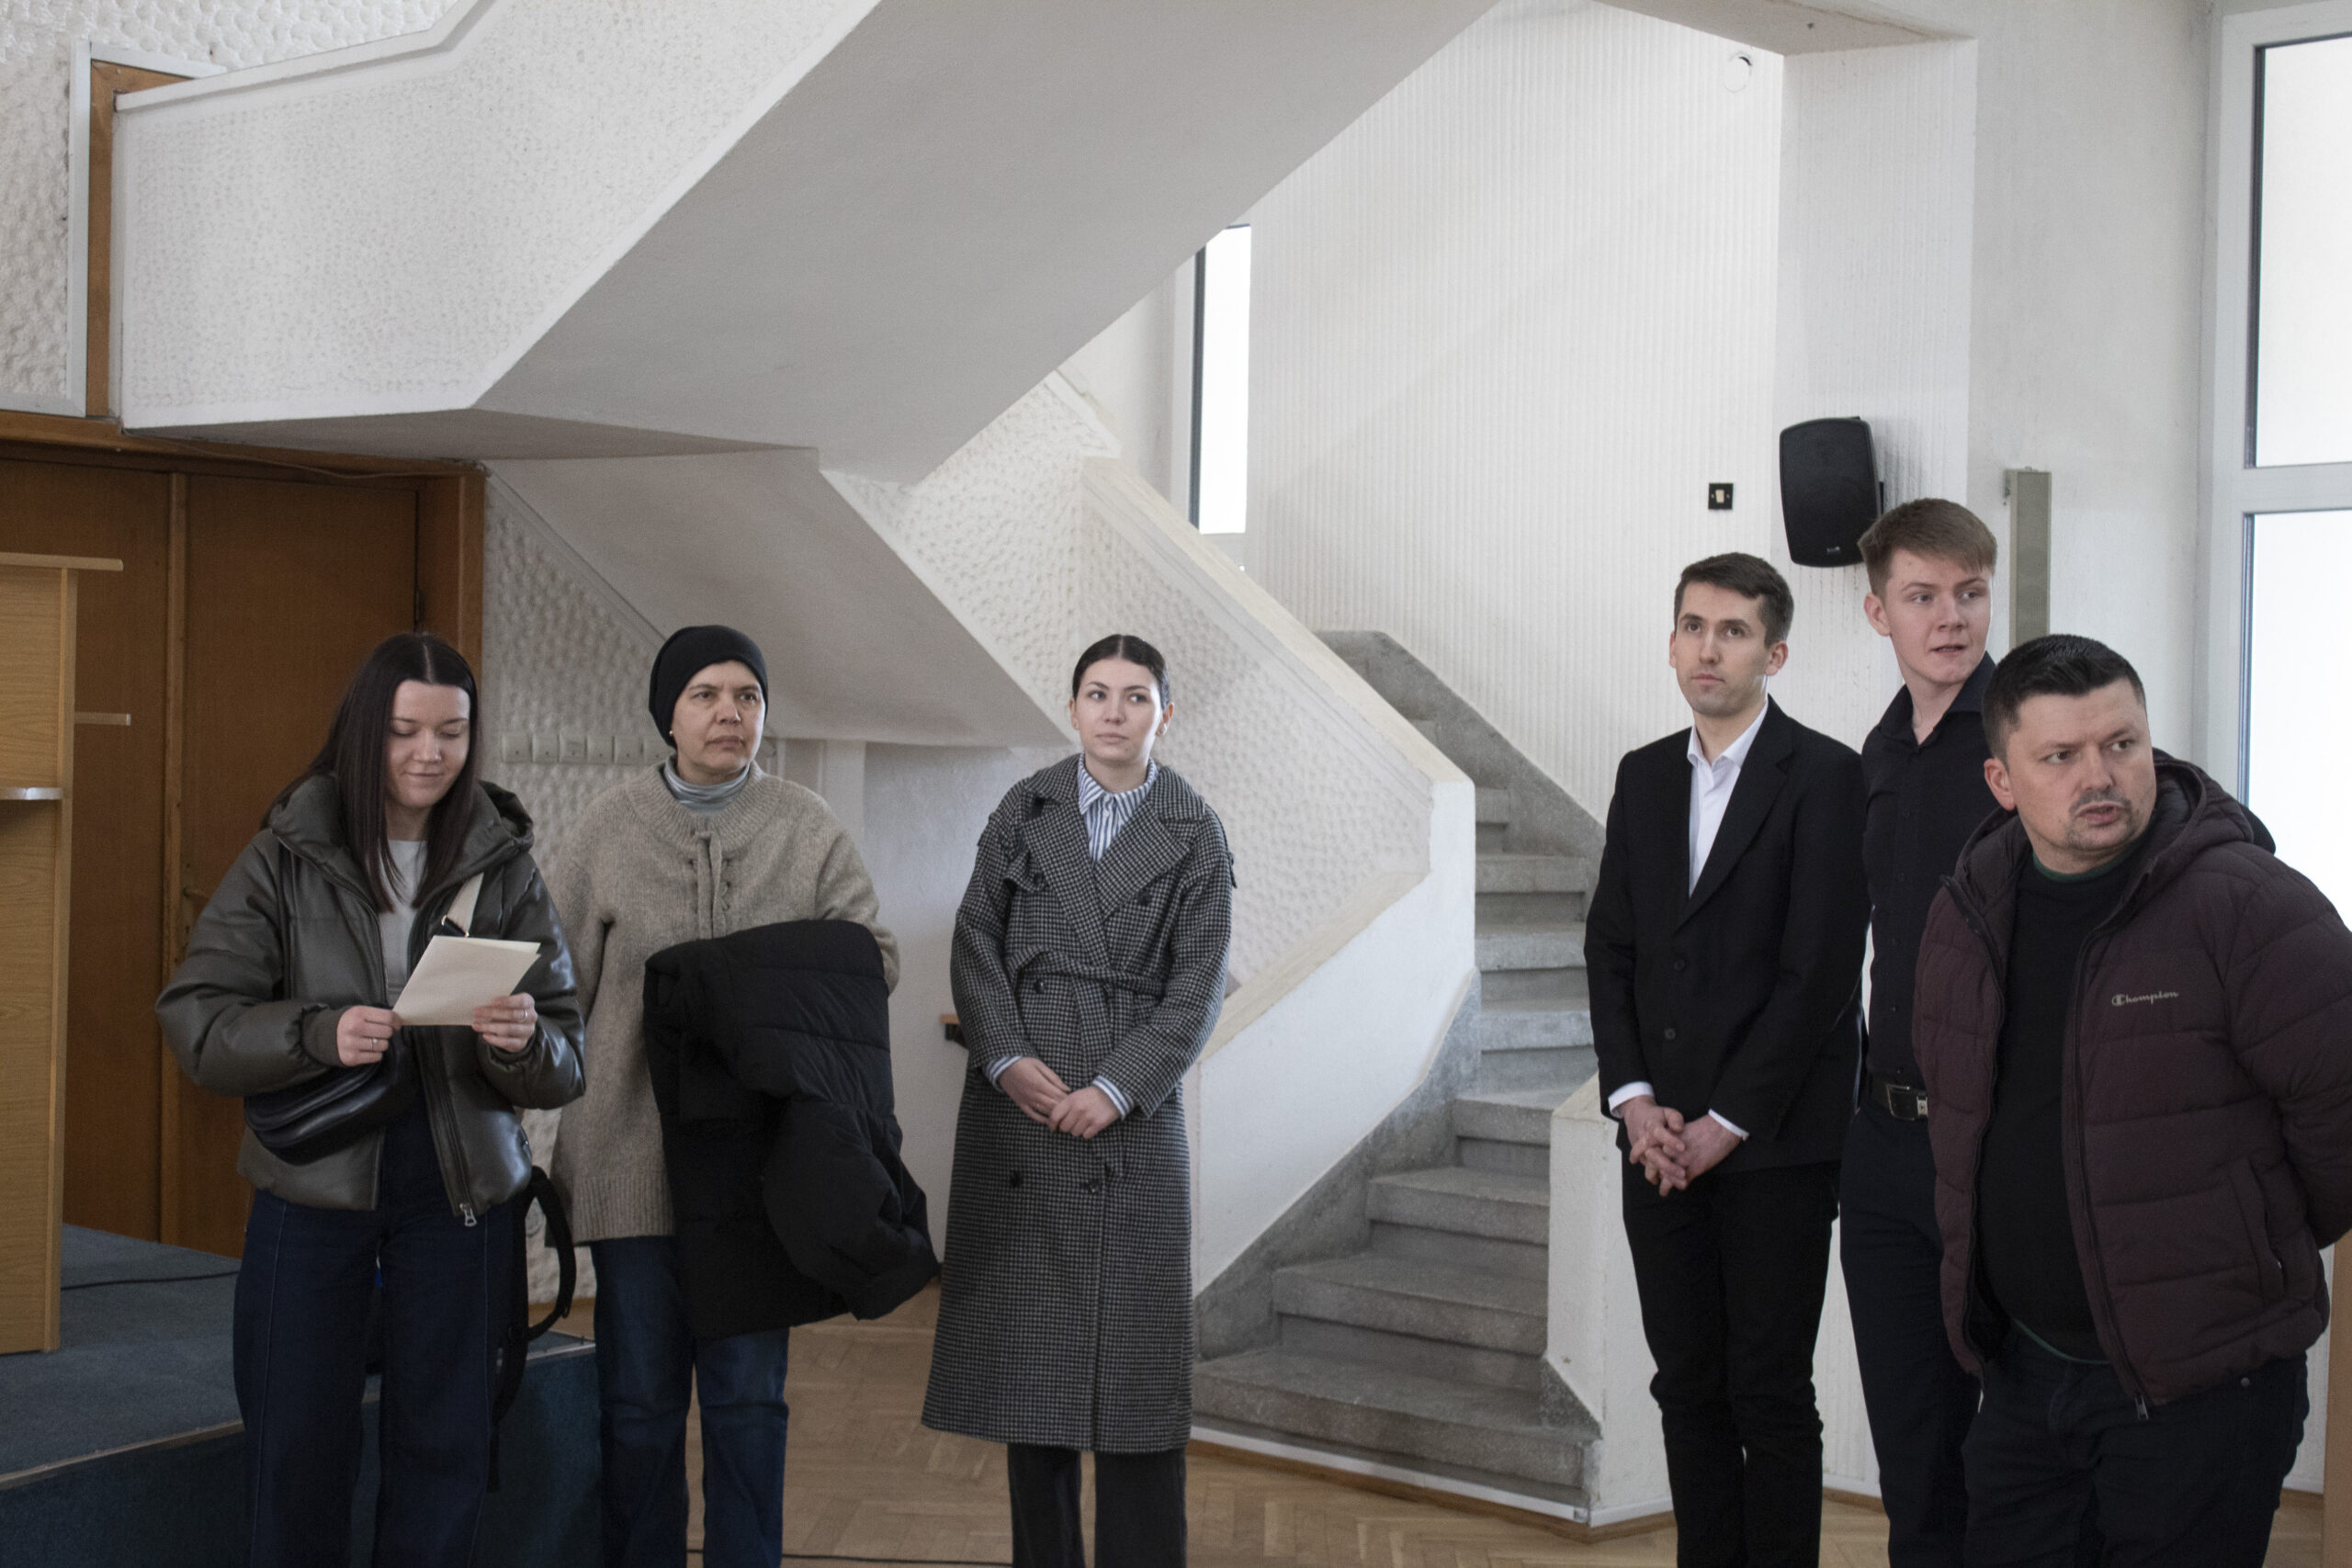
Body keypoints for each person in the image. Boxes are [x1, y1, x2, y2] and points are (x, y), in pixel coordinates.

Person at [1913, 635, 2352, 1568]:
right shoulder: (1965, 913)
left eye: (2121, 744)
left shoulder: (2250, 906)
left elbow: (2341, 1119)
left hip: (2201, 1389)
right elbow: (1957, 1119)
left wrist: (2249, 1240)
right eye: (2060, 756)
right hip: (2023, 1377)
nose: (2099, 776)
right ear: (2001, 780)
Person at [157, 632, 585, 1568]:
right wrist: (316, 1033)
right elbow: (197, 1020)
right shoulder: (285, 852)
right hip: (314, 1184)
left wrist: (523, 1041)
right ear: (363, 731)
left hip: (460, 1190)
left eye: (451, 732)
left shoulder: (503, 860)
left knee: (447, 1450)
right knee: (296, 1450)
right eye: (404, 730)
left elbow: (566, 1058)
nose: (429, 753)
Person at [549, 624, 898, 1568]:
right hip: (632, 1160)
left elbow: (872, 960)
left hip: (761, 1173)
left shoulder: (806, 825)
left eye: (747, 696)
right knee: (638, 1405)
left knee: (747, 1403)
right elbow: (555, 989)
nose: (728, 713)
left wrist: (739, 982)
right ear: (667, 714)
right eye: (704, 694)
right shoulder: (607, 828)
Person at [1583, 553, 1870, 1568]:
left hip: (1775, 1143)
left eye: (1734, 630)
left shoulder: (1828, 776)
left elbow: (1818, 975)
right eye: (1694, 627)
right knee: (1686, 1385)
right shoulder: (1643, 774)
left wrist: (1726, 1122)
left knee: (1770, 1391)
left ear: (1773, 655)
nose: (1709, 648)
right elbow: (1611, 947)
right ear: (1671, 644)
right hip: (1658, 1140)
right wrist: (1634, 1103)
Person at [922, 633, 1233, 1568]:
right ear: (1071, 708)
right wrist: (1005, 1056)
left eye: (1135, 697)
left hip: (1130, 1123)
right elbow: (975, 938)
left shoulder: (1195, 829)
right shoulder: (1026, 807)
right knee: (1034, 1384)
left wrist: (1117, 1087)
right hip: (1023, 1115)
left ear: (1164, 714)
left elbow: (1198, 989)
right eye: (1097, 693)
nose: (1114, 712)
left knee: (1138, 1387)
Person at [1844, 501, 2002, 1567]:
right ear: (1878, 613)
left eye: (1968, 593)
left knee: (2025, 1445)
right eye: (1923, 597)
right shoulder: (1880, 748)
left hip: (1995, 1144)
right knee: (1913, 1453)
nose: (1950, 618)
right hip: (1884, 1142)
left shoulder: (2023, 736)